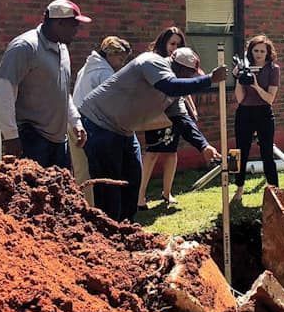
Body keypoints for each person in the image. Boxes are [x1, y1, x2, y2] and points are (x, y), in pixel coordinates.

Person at [80, 44, 224, 220]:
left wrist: (204, 146)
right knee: (110, 186)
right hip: (99, 123)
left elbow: (182, 120)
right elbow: (171, 86)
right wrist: (210, 79)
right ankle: (108, 233)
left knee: (132, 182)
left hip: (123, 130)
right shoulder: (151, 61)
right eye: (188, 74)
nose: (189, 79)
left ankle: (126, 228)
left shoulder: (173, 90)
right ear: (177, 67)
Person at [0, 0, 90, 169]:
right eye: (74, 25)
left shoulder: (62, 48)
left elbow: (62, 90)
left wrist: (75, 121)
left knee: (62, 193)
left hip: (59, 141)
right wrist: (10, 136)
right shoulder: (25, 47)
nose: (77, 30)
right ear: (59, 23)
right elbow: (4, 88)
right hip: (31, 139)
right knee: (30, 194)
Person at [137, 28, 200, 210]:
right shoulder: (155, 61)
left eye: (178, 45)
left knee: (172, 152)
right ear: (163, 43)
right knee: (153, 152)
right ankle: (140, 195)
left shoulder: (180, 64)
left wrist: (191, 107)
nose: (175, 48)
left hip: (175, 114)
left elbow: (181, 86)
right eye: (172, 43)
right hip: (158, 114)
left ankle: (167, 192)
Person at [71, 36, 132, 202]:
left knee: (82, 169)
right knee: (97, 172)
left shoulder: (87, 67)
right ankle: (94, 207)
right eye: (120, 59)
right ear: (110, 54)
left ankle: (85, 204)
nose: (122, 63)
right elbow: (112, 105)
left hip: (76, 121)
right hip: (92, 125)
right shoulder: (104, 73)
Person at [232, 35, 280, 203]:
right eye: (255, 50)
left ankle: (275, 190)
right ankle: (238, 188)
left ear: (268, 53)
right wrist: (239, 79)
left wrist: (255, 85)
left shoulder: (273, 69)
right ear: (250, 51)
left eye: (262, 51)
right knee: (241, 152)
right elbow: (240, 99)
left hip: (264, 113)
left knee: (267, 153)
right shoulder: (245, 66)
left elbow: (269, 99)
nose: (259, 54)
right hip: (244, 113)